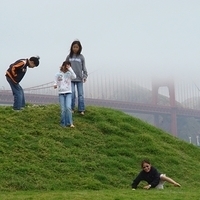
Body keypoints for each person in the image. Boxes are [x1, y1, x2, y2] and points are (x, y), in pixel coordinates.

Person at [65, 40, 88, 115]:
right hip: (70, 78)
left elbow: (84, 67)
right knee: (72, 93)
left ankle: (81, 109)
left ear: (79, 48)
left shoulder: (81, 57)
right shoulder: (69, 57)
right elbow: (65, 67)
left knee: (80, 94)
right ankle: (71, 108)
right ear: (71, 47)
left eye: (77, 47)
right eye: (74, 47)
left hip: (79, 78)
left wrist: (85, 76)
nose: (75, 48)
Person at [54, 61, 76, 128]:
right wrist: (55, 85)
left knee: (68, 107)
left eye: (68, 66)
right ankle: (63, 123)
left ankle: (70, 123)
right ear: (62, 65)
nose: (66, 67)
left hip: (68, 92)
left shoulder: (69, 73)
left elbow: (74, 77)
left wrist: (70, 69)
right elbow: (55, 81)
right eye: (65, 66)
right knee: (63, 109)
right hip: (61, 93)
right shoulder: (58, 74)